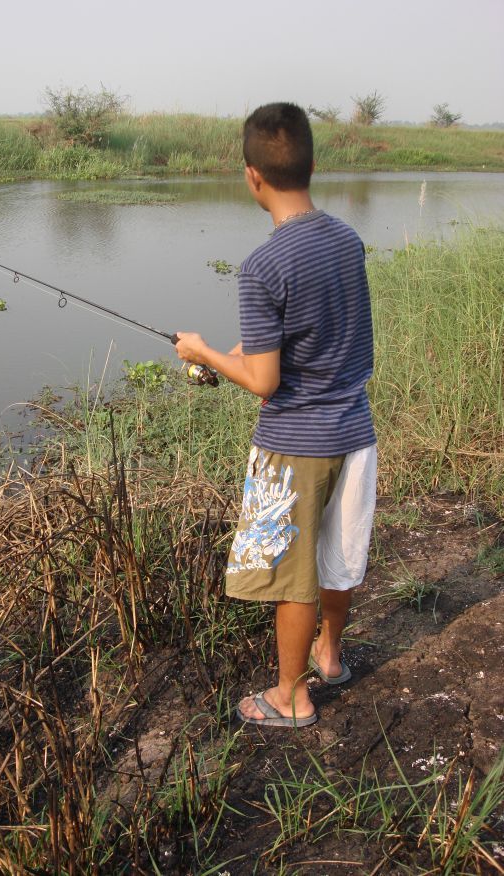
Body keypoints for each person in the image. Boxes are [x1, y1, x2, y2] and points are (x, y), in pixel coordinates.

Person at [174, 102, 377, 728]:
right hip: (356, 432)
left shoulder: (262, 266)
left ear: (251, 176)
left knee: (294, 574)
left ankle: (290, 694)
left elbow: (265, 380)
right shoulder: (345, 238)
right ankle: (330, 654)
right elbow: (302, 335)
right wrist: (237, 353)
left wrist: (204, 352)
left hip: (297, 444)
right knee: (338, 558)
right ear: (312, 166)